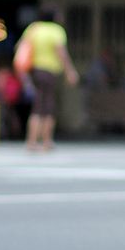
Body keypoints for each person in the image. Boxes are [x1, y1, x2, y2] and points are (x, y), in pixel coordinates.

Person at [18, 10, 79, 151]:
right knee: (48, 105)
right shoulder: (56, 30)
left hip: (35, 71)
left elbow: (21, 47)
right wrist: (69, 71)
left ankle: (31, 140)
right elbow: (61, 52)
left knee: (38, 104)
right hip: (49, 72)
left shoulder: (34, 28)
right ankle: (46, 140)